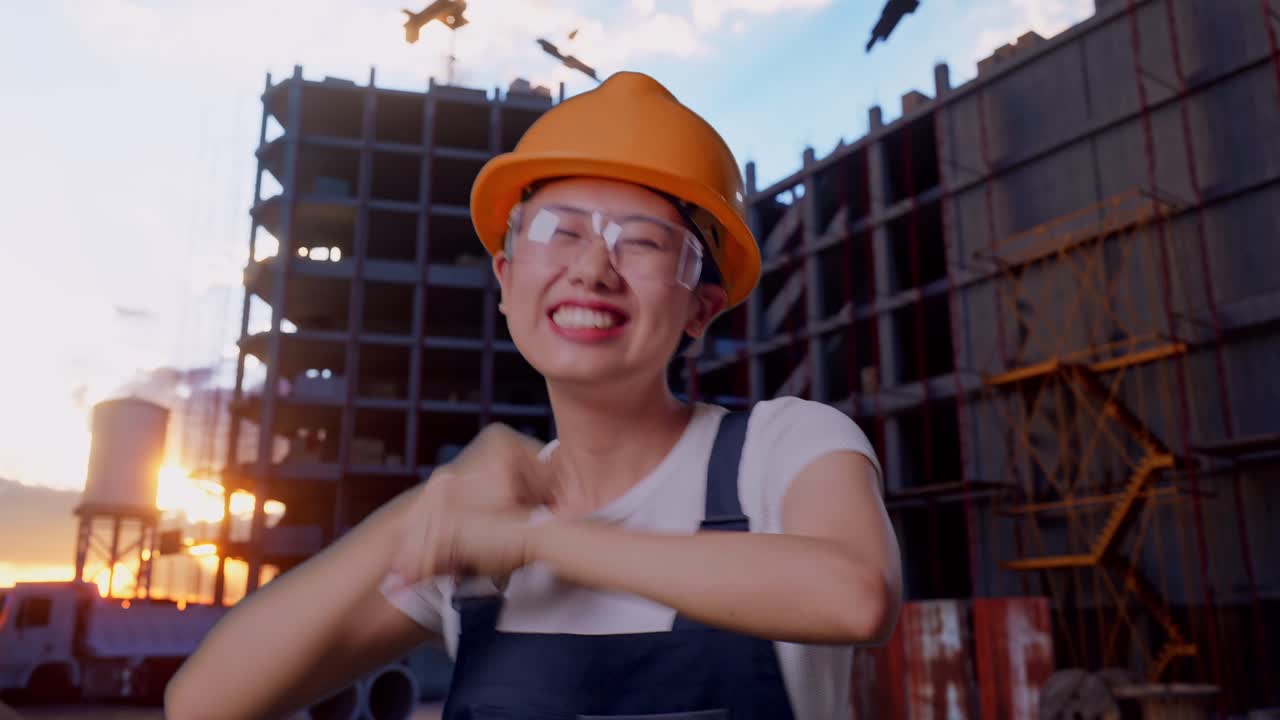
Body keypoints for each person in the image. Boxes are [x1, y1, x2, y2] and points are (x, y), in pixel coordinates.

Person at [166, 71, 901, 720]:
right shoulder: (476, 522)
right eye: (558, 231)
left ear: (700, 309)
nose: (593, 269)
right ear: (506, 280)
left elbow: (855, 595)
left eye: (642, 242)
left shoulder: (782, 448)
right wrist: (425, 511)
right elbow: (206, 703)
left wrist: (537, 541)